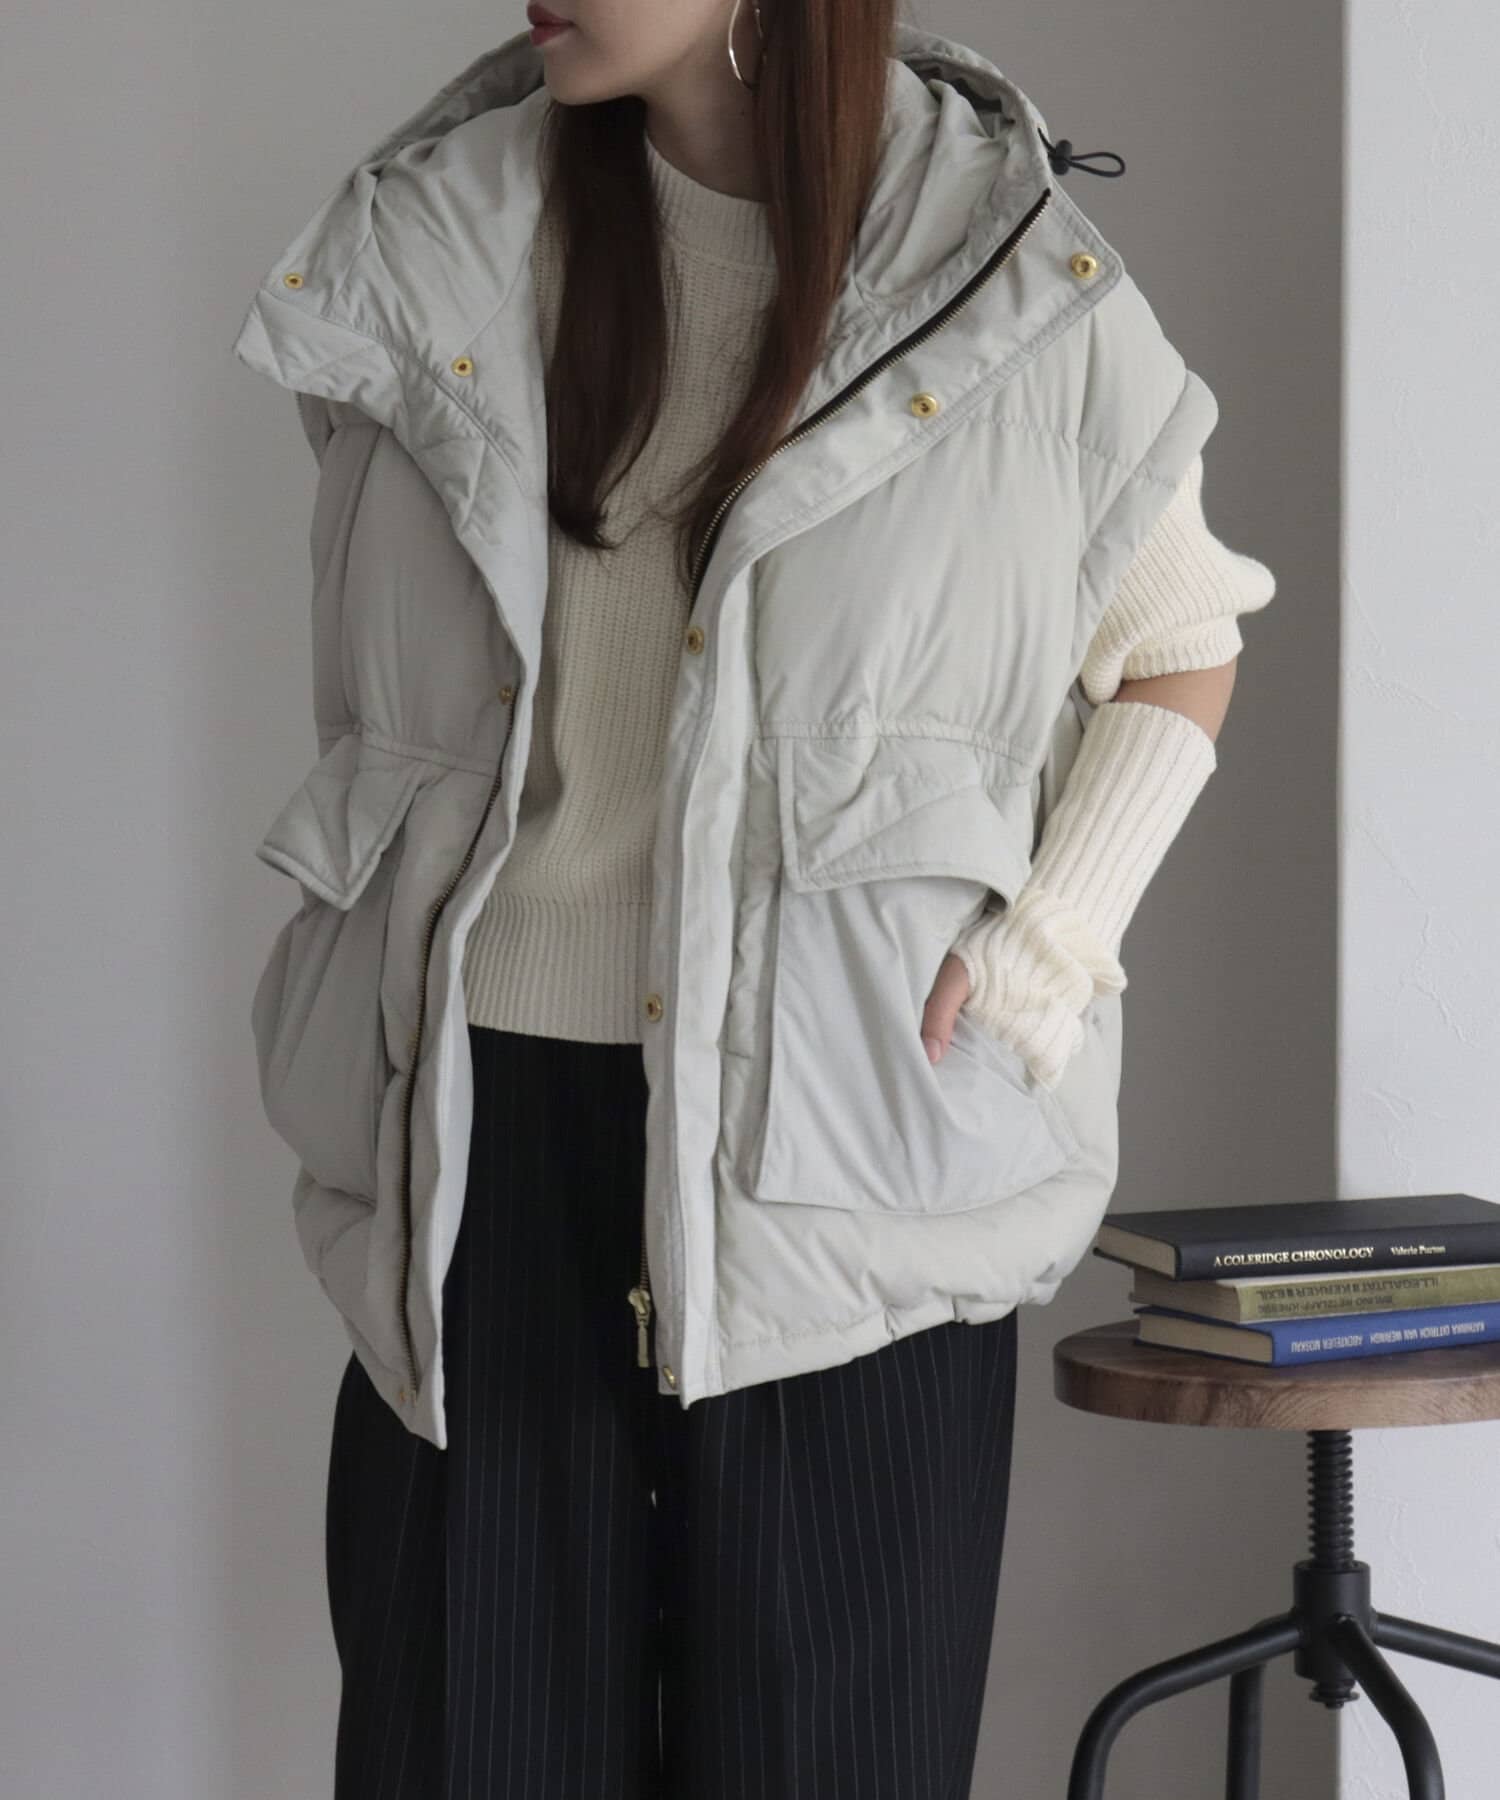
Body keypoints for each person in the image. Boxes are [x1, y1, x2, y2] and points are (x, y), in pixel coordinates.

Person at [234, 3, 1276, 1793]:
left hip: (848, 1149)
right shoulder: (440, 244)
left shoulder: (1004, 277)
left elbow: (1183, 641)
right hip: (488, 1143)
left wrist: (1050, 940)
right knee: (467, 1746)